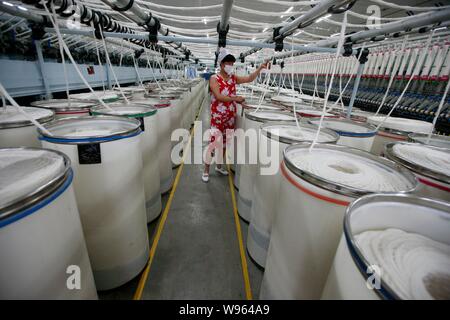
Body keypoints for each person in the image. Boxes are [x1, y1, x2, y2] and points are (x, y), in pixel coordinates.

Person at [202, 48, 269, 182]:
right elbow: (219, 96)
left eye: (232, 63)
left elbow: (249, 78)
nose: (230, 66)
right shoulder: (214, 79)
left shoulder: (233, 78)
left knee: (225, 143)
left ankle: (219, 166)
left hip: (230, 117)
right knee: (214, 144)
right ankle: (206, 170)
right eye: (228, 63)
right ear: (221, 64)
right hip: (218, 118)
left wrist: (260, 68)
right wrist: (236, 98)